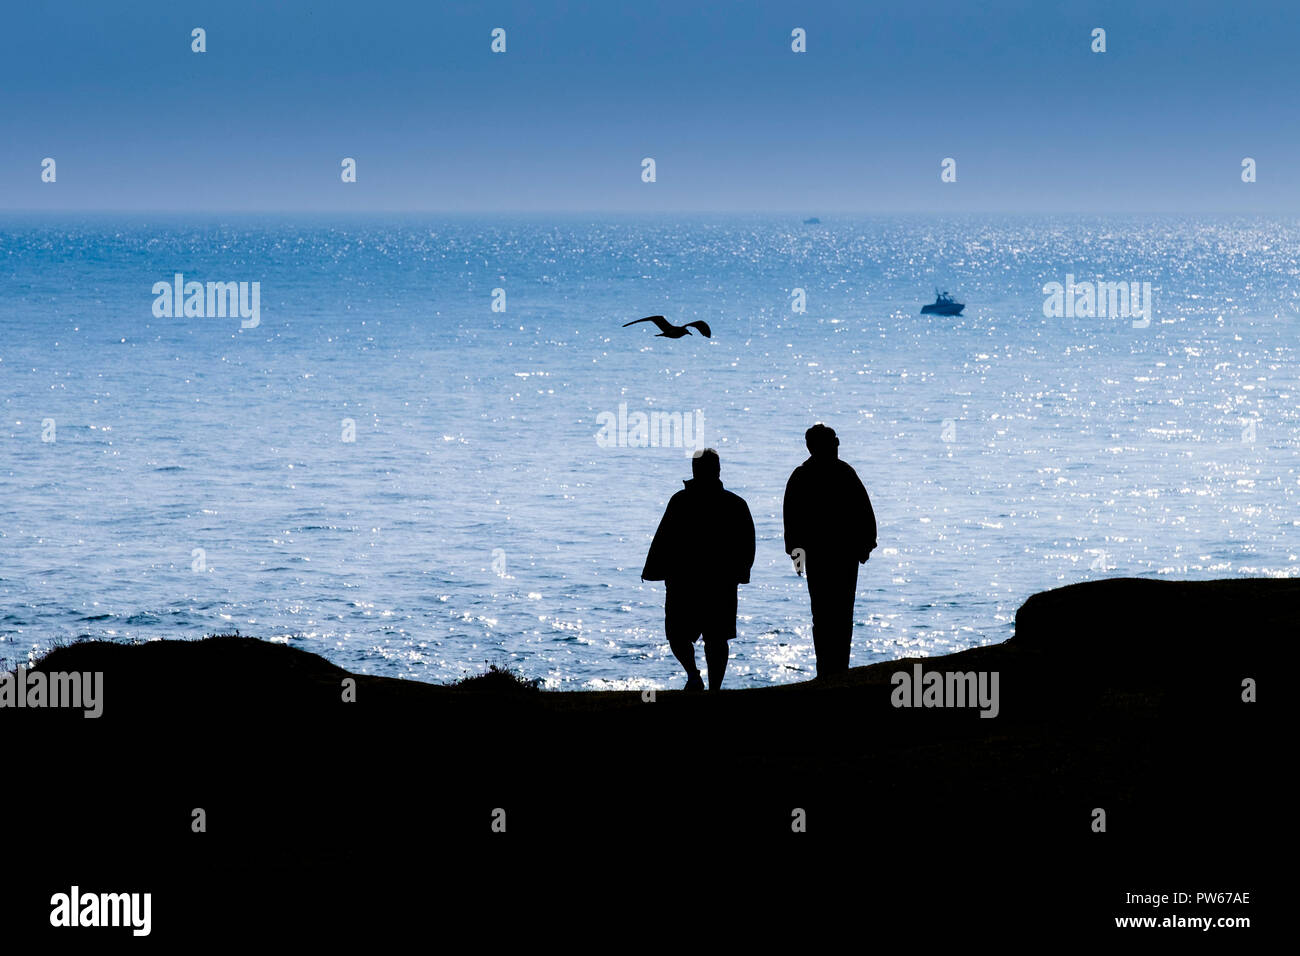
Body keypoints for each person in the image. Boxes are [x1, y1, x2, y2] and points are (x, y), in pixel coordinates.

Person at [641, 449, 755, 691]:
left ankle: (695, 676)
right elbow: (747, 543)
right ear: (718, 470)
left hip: (685, 580)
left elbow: (663, 538)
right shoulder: (734, 503)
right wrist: (740, 572)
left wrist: (654, 569)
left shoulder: (681, 501)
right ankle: (710, 685)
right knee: (714, 637)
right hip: (718, 582)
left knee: (681, 634)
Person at [783, 424, 877, 677]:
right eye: (834, 441)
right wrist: (865, 546)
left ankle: (827, 668)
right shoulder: (843, 472)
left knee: (824, 614)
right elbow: (864, 512)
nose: (837, 445)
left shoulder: (802, 475)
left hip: (822, 556)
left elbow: (792, 522)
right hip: (841, 555)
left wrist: (797, 557)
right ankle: (836, 668)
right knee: (840, 614)